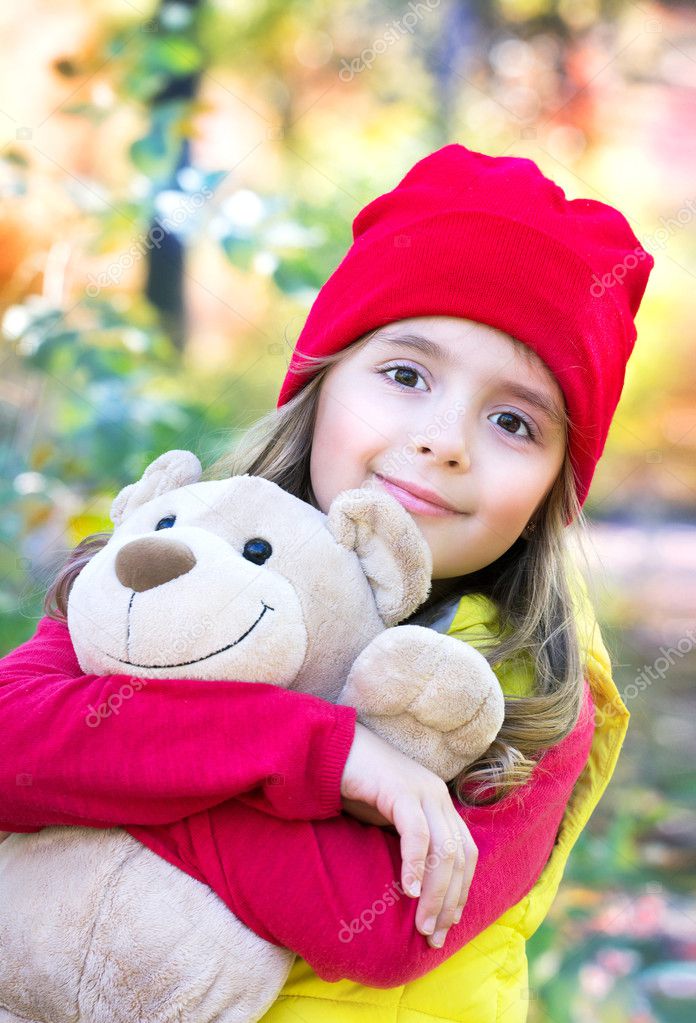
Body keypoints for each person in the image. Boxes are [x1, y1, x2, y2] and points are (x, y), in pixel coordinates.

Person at [0, 144, 653, 1022]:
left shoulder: (527, 689)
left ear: (553, 487)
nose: (443, 439)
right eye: (406, 373)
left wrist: (122, 775)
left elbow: (381, 923)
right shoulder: (188, 539)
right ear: (322, 378)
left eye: (513, 420)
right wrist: (315, 752)